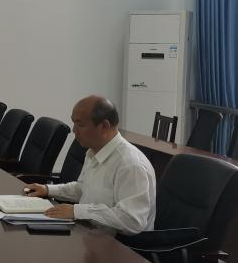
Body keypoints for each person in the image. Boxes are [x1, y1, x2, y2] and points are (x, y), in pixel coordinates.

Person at [23, 95, 156, 236]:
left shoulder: (130, 165)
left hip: (119, 244)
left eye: (80, 125)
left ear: (104, 126)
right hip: (90, 233)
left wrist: (77, 211)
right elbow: (83, 189)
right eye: (74, 123)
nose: (74, 130)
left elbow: (132, 220)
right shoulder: (93, 151)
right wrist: (47, 189)